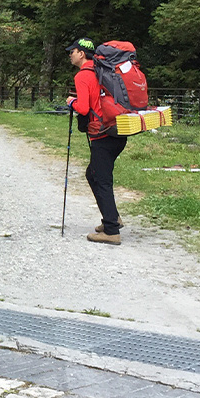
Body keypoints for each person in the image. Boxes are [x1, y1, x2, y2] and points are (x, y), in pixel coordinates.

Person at [66, 38, 127, 245]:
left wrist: (71, 101)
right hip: (117, 130)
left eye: (72, 51)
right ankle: (113, 218)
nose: (70, 55)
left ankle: (111, 231)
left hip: (103, 134)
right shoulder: (102, 70)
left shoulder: (83, 75)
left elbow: (83, 108)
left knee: (101, 179)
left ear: (82, 53)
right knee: (93, 174)